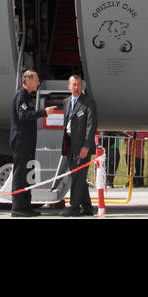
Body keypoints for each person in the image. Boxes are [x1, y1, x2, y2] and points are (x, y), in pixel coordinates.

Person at [50, 74, 97, 217]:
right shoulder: (66, 102)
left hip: (82, 146)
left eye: (78, 85)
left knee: (77, 177)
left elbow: (91, 125)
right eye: (74, 85)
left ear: (81, 87)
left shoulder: (88, 102)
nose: (76, 88)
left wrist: (86, 146)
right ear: (69, 86)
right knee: (78, 176)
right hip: (69, 143)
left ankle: (74, 207)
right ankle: (87, 207)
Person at [9, 69, 46, 217]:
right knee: (20, 173)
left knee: (26, 173)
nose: (38, 82)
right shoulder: (21, 96)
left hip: (26, 140)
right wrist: (43, 112)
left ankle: (25, 205)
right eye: (36, 79)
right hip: (21, 140)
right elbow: (23, 115)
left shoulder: (27, 96)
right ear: (28, 80)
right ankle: (18, 207)